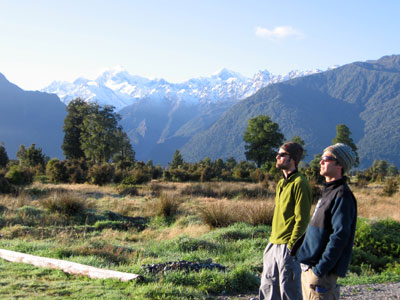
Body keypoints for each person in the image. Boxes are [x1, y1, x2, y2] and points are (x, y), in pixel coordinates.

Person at [293, 143, 357, 300]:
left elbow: (340, 236)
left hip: (321, 274)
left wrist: (320, 269)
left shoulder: (342, 195)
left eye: (326, 159)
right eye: (321, 158)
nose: (320, 162)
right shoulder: (329, 191)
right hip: (310, 270)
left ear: (340, 164)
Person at [259, 142, 312, 300]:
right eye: (278, 154)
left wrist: (291, 247)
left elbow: (302, 220)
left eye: (282, 154)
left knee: (289, 292)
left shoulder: (300, 183)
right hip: (273, 244)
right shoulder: (281, 183)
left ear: (293, 159)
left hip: (287, 248)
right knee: (268, 290)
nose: (277, 157)